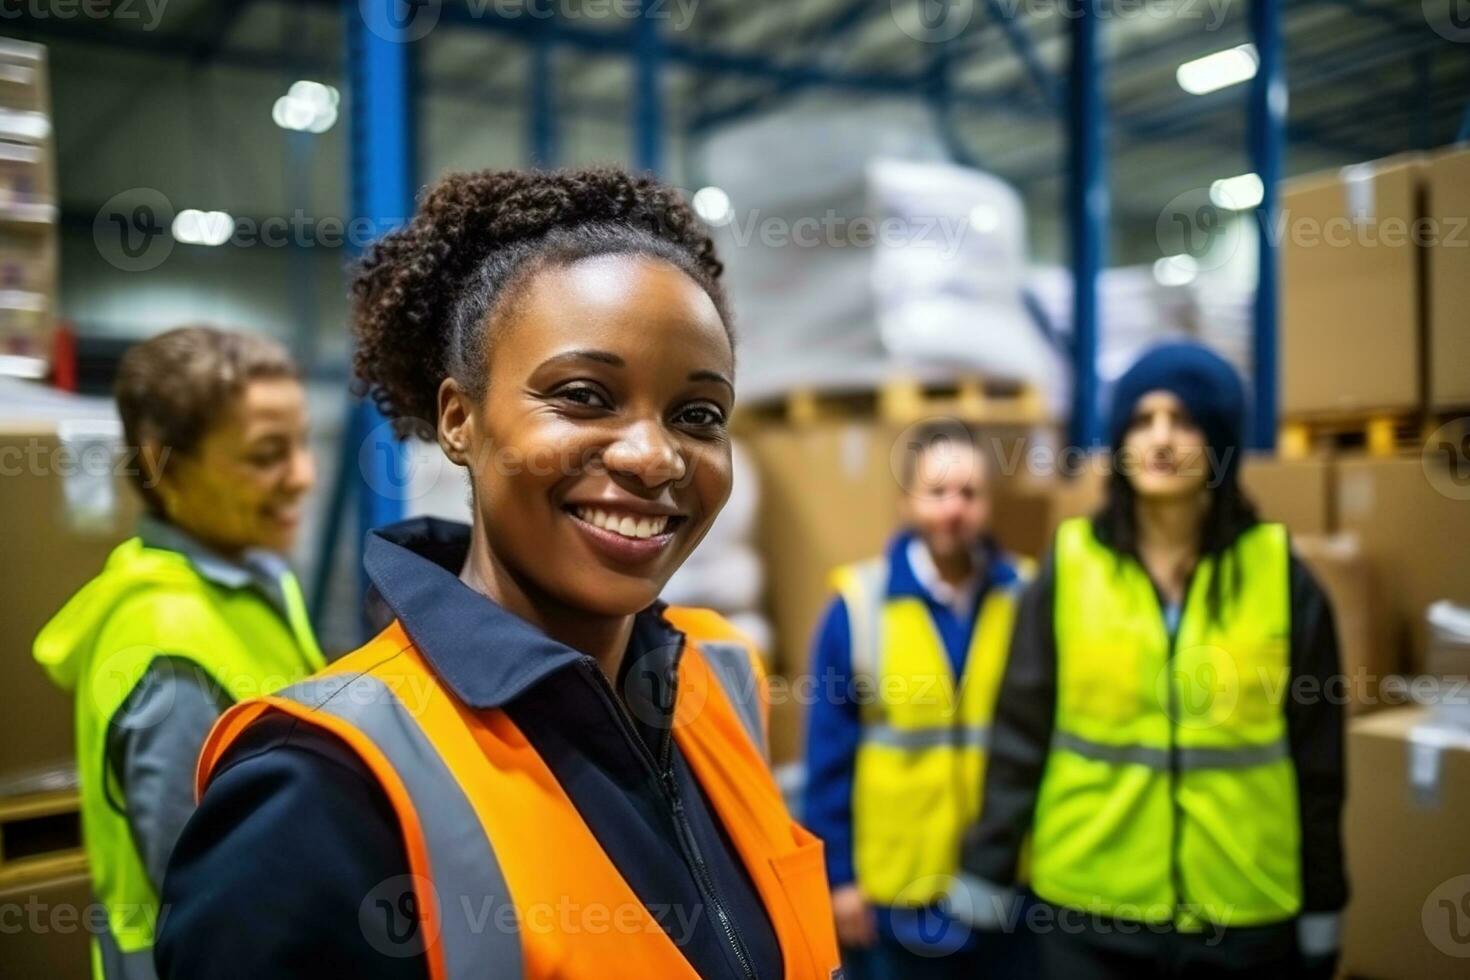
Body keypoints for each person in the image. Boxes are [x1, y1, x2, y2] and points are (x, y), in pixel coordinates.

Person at [154, 168, 841, 980]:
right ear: (459, 419)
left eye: (698, 415)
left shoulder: (717, 677)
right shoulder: (323, 788)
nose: (654, 457)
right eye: (585, 396)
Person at [964, 342, 1348, 979]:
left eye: (1185, 420)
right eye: (1142, 421)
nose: (1162, 439)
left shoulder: (1280, 577)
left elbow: (1319, 764)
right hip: (1088, 912)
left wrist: (1325, 903)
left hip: (1244, 914)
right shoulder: (1072, 566)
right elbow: (1019, 735)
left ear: (1221, 439)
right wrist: (986, 872)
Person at [33, 326, 324, 980]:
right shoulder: (165, 646)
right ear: (163, 461)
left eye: (302, 444)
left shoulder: (255, 582)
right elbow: (204, 902)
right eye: (266, 454)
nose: (302, 477)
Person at [803, 420, 1034, 979]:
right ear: (906, 501)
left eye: (969, 494)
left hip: (1008, 886)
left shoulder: (1028, 595)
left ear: (989, 503)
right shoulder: (859, 605)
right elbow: (829, 756)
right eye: (937, 492)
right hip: (895, 895)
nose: (953, 509)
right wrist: (840, 880)